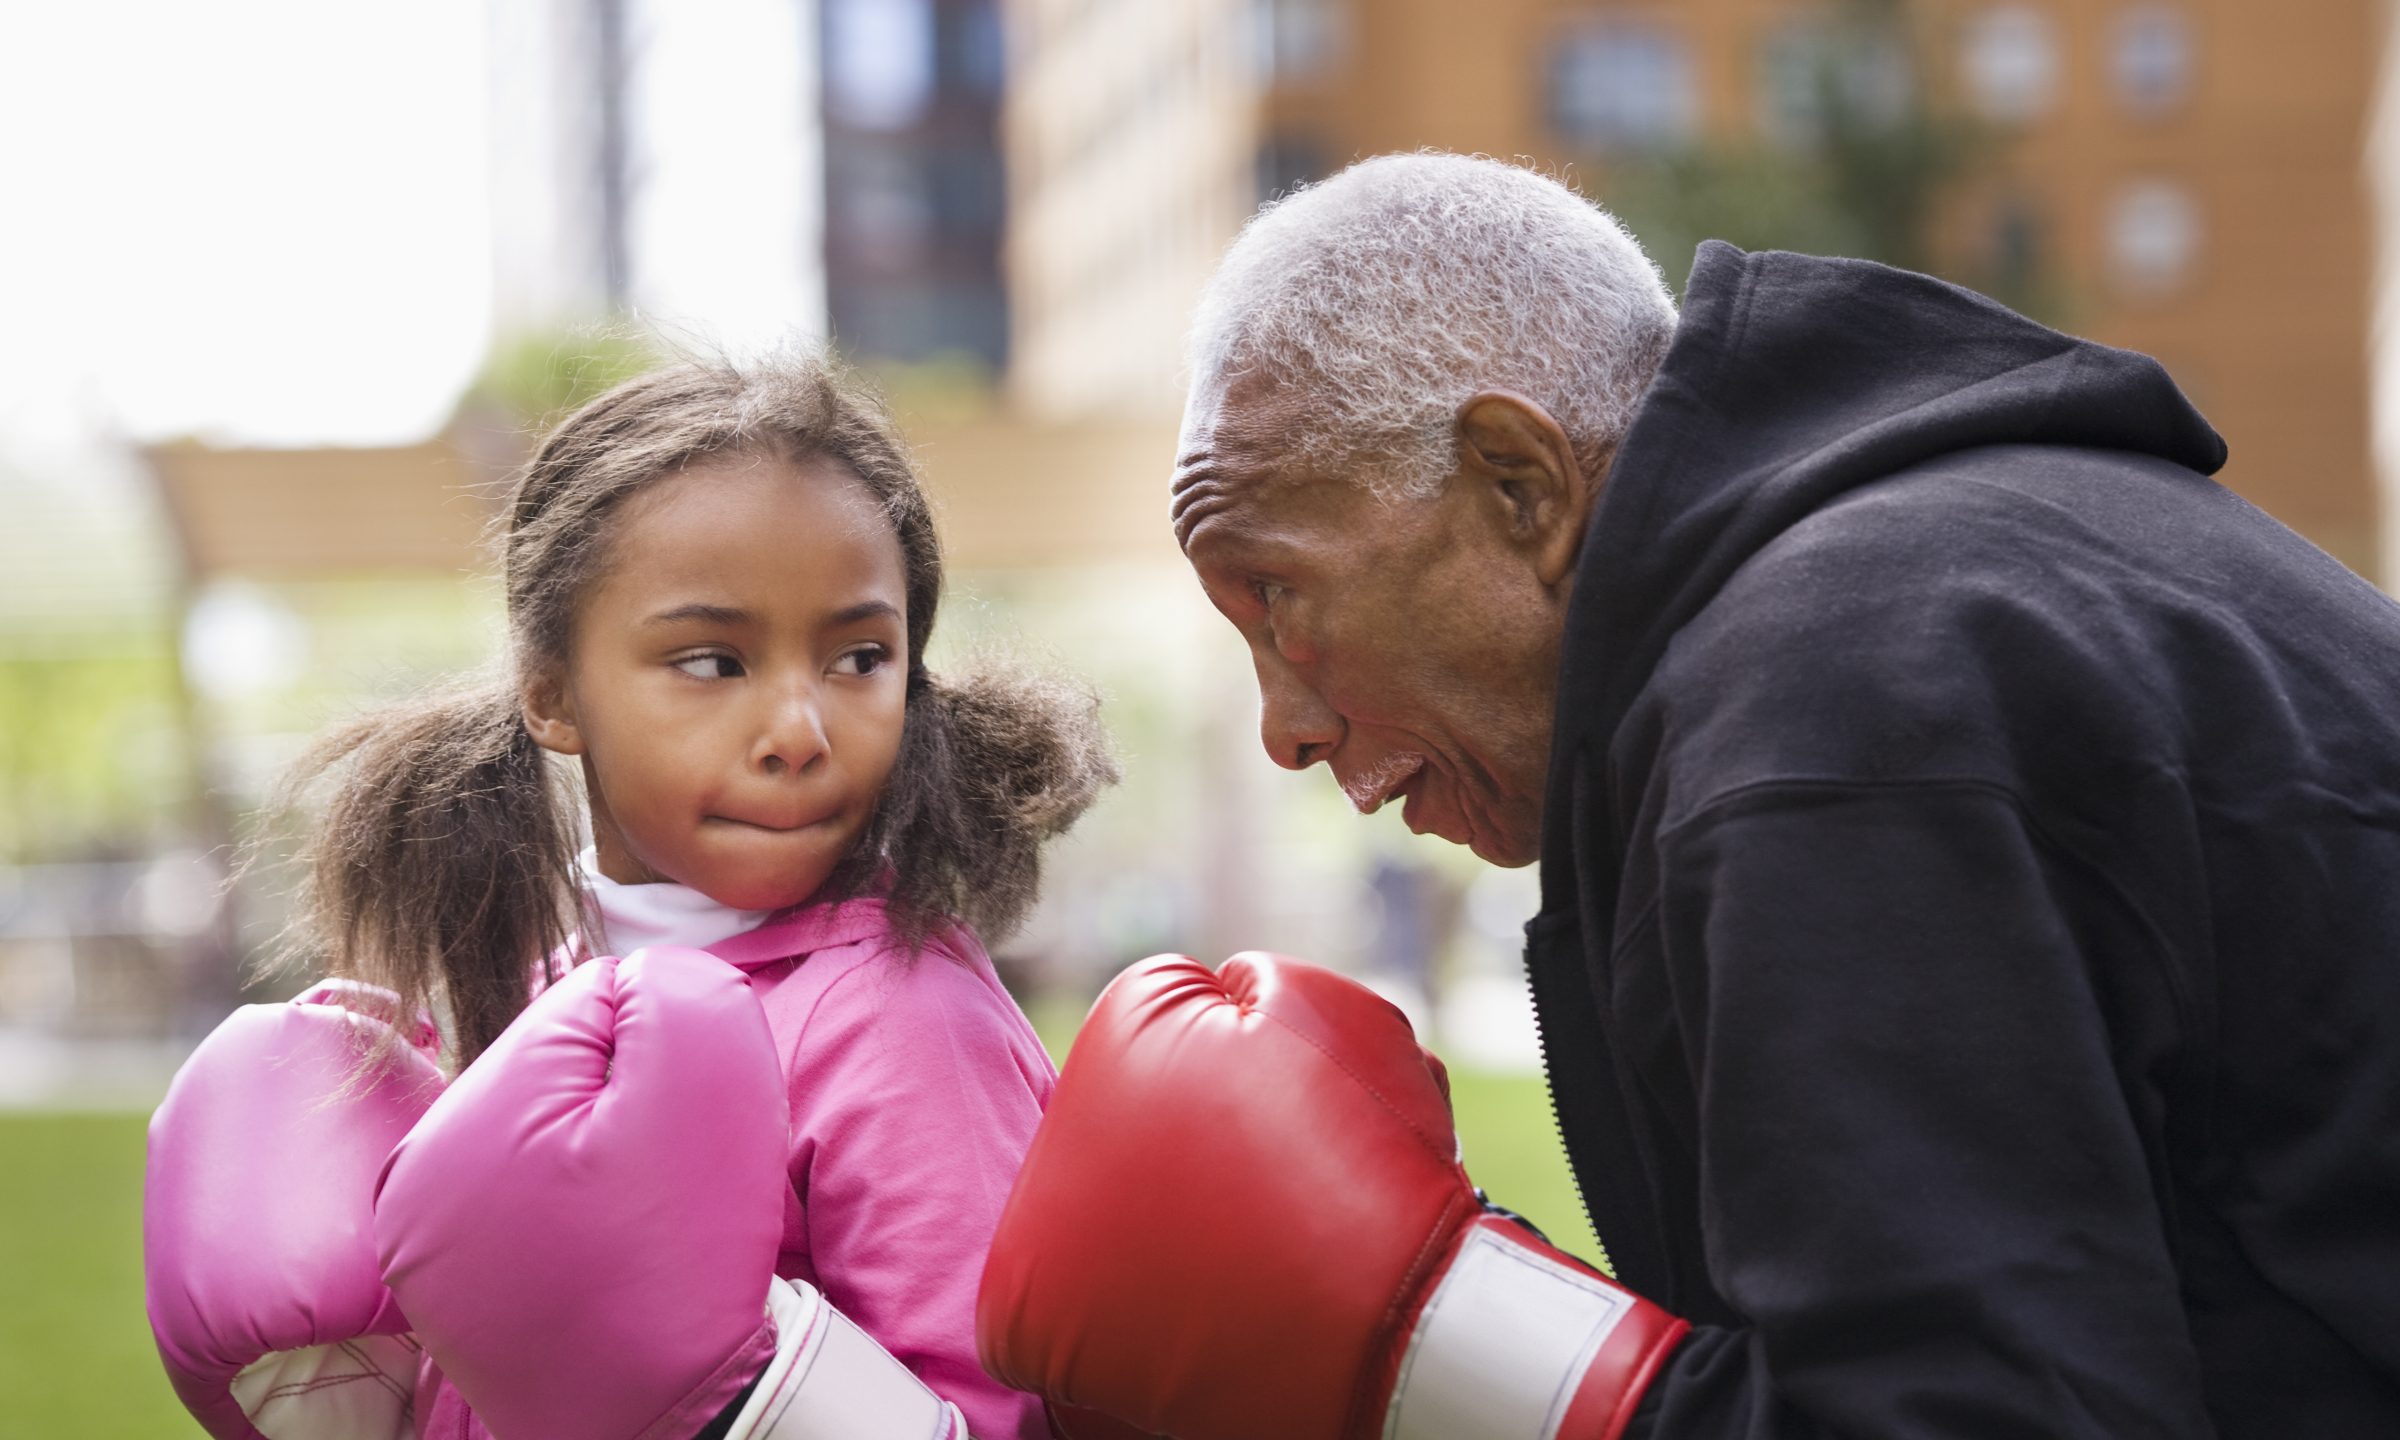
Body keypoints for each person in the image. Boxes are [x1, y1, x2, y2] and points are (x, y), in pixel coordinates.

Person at [976, 151, 2400, 1438]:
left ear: (1521, 486)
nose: (1285, 726)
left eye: (1277, 596)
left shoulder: (1832, 718)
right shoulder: (1946, 578)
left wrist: (1445, 1344)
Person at [145, 353, 1115, 1440]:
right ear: (552, 693)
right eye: (711, 662)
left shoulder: (901, 1028)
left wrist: (740, 1396)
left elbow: (1004, 1422)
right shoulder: (525, 986)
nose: (799, 730)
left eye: (858, 657)